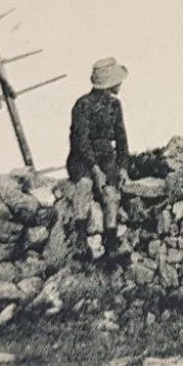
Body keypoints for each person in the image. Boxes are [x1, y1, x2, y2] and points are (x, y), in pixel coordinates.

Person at [68, 57, 130, 259]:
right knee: (84, 185)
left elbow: (121, 139)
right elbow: (81, 141)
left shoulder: (115, 105)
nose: (120, 85)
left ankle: (111, 243)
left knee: (111, 194)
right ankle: (79, 237)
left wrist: (122, 167)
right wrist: (95, 170)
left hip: (106, 158)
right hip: (82, 158)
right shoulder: (82, 105)